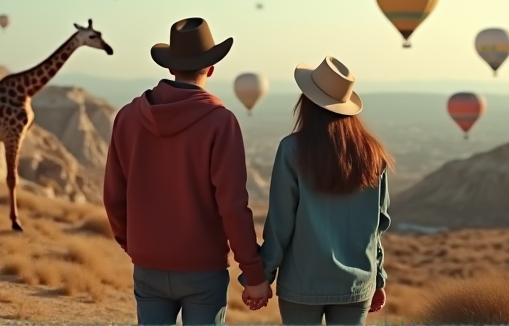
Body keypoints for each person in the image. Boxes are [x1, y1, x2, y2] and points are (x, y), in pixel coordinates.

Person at [103, 17, 271, 325]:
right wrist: (253, 272)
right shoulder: (220, 121)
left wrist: (135, 245)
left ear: (169, 67)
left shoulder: (127, 117)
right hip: (203, 270)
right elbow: (232, 205)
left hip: (148, 265)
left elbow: (114, 196)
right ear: (211, 68)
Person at [241, 55, 393, 325]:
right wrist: (378, 277)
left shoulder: (291, 150)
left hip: (302, 282)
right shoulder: (373, 154)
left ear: (307, 103)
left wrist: (261, 276)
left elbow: (280, 224)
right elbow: (377, 226)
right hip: (355, 283)